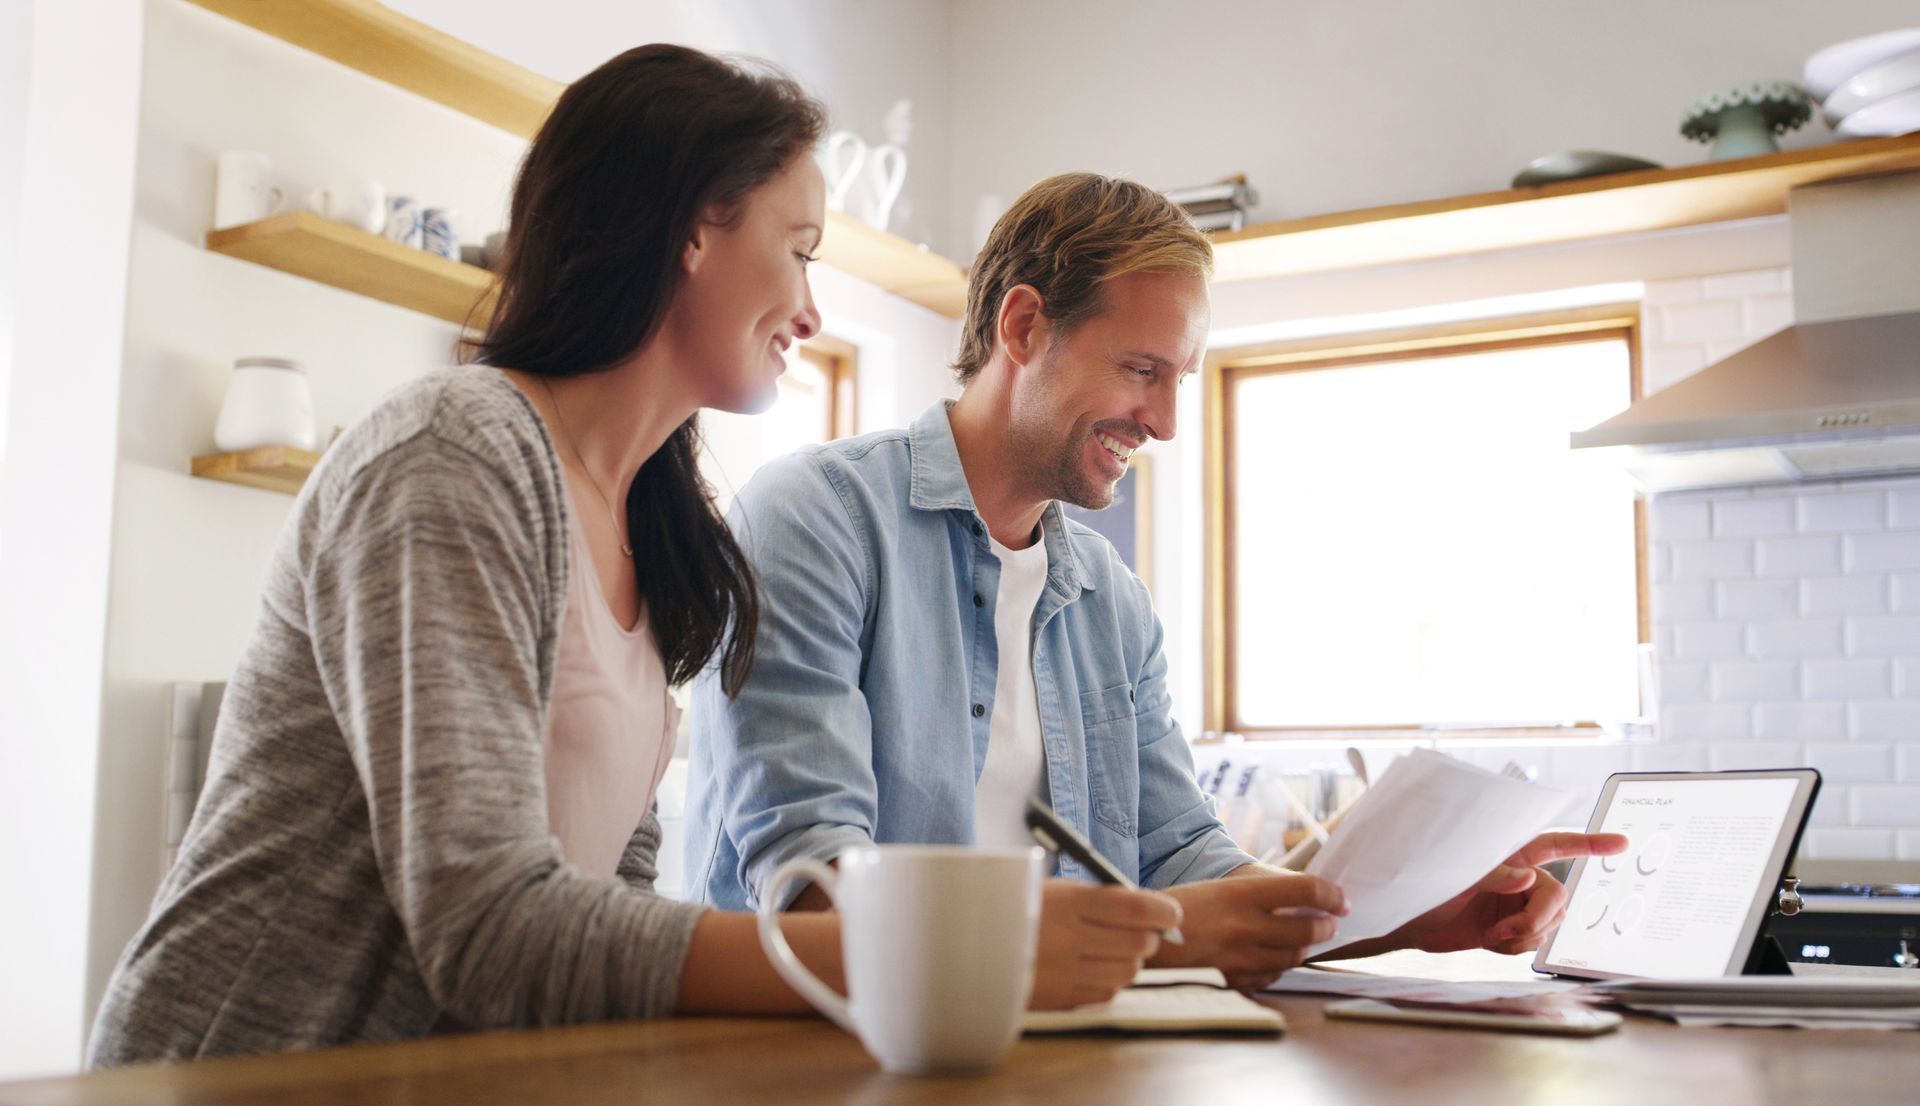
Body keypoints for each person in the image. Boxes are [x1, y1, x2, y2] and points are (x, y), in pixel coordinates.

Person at [87, 48, 1175, 1068]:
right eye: (798, 250)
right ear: (692, 229)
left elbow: (615, 899)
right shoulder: (453, 454)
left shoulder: (652, 523)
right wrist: (946, 951)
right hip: (244, 1073)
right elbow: (489, 923)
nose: (810, 307)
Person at [685, 172, 1626, 990]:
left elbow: (1183, 857)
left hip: (1054, 1053)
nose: (1167, 423)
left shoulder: (1107, 596)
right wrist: (1167, 938)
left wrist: (1417, 911)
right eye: (1141, 369)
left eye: (1182, 378)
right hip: (826, 1057)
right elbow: (811, 888)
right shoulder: (816, 518)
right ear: (1022, 326)